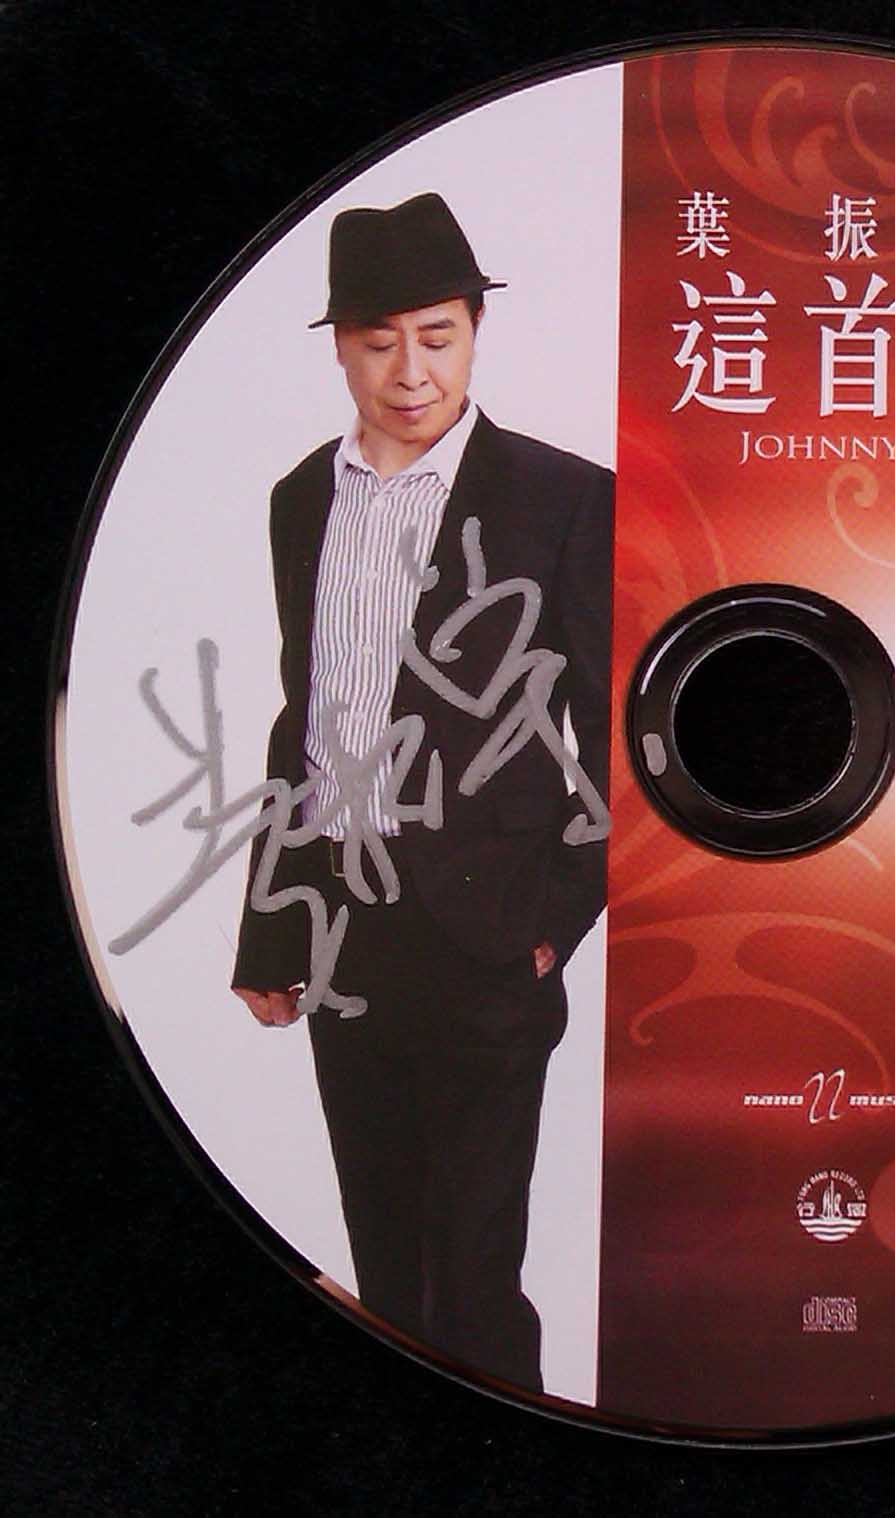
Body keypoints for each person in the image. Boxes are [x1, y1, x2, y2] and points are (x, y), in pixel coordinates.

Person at [228, 191, 612, 1392]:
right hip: (345, 928)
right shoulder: (302, 498)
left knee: (474, 1281)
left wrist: (559, 914)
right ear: (340, 348)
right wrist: (272, 925)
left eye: (437, 337)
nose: (410, 372)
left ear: (474, 332)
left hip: (491, 931)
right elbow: (304, 715)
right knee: (387, 1278)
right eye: (380, 341)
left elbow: (611, 728)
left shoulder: (563, 498)